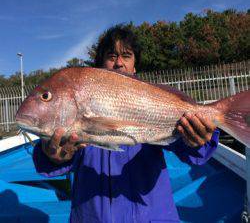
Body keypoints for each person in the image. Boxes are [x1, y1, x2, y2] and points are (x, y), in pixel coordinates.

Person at [33, 25, 219, 223]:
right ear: (100, 64)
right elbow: (50, 156)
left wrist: (199, 140)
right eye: (111, 56)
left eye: (126, 55)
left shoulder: (150, 101)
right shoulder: (81, 99)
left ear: (135, 66)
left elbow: (189, 149)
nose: (119, 63)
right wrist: (51, 156)